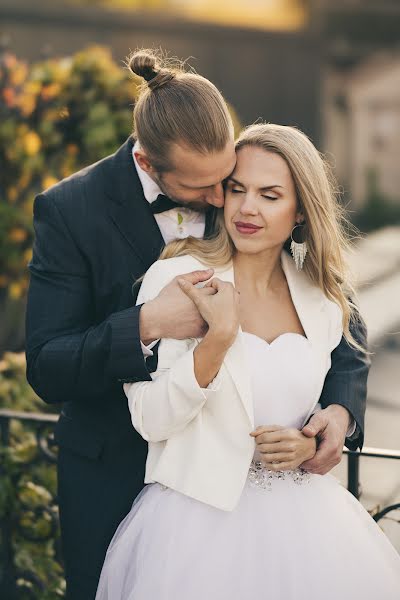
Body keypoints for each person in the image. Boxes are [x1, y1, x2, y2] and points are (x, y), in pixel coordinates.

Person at [25, 51, 369, 599]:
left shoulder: (240, 182)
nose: (224, 203)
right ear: (148, 163)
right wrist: (146, 323)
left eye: (228, 181)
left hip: (268, 501)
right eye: (211, 189)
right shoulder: (71, 211)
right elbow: (46, 363)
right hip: (116, 470)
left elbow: (339, 323)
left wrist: (340, 411)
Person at [95, 123, 400, 600]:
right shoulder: (177, 277)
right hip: (193, 530)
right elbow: (150, 420)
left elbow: (338, 380)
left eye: (270, 194)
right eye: (237, 189)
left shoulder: (322, 299)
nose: (248, 207)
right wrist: (216, 342)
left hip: (309, 529)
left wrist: (313, 437)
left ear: (300, 211)